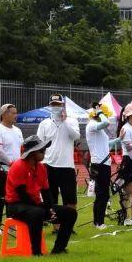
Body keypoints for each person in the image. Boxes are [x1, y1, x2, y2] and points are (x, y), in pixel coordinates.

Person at [4, 136, 77, 255]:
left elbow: (46, 192)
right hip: (16, 205)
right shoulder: (18, 167)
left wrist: (50, 208)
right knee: (38, 212)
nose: (45, 152)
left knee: (70, 213)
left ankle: (59, 249)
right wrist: (44, 209)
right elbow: (23, 195)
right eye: (42, 150)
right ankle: (36, 252)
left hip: (34, 205)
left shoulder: (42, 168)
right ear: (32, 153)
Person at [36, 94, 81, 231]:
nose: (56, 107)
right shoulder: (44, 124)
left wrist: (65, 121)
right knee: (51, 199)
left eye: (58, 104)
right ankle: (56, 227)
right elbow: (39, 144)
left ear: (63, 105)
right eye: (53, 105)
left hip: (66, 165)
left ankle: (68, 226)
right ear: (49, 106)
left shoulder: (72, 121)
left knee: (70, 199)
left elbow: (76, 136)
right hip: (48, 165)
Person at [0, 104, 24, 228]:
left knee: (14, 196)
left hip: (16, 167)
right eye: (13, 113)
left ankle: (12, 223)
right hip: (1, 166)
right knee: (0, 195)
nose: (16, 115)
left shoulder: (18, 130)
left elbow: (21, 148)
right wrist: (10, 163)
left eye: (16, 112)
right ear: (4, 115)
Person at [85, 106, 116, 230]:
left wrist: (119, 139)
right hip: (100, 164)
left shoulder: (98, 128)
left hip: (103, 163)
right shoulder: (92, 125)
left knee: (102, 194)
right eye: (105, 115)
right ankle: (99, 222)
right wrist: (100, 112)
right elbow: (106, 122)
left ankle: (97, 221)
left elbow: (106, 144)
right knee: (102, 194)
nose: (106, 117)